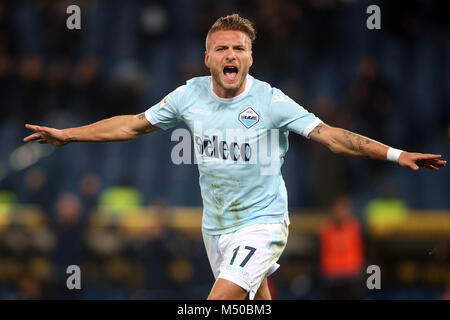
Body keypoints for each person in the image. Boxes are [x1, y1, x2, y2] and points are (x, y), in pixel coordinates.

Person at [23, 14, 446, 300]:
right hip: (216, 227)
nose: (230, 55)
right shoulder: (187, 96)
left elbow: (334, 137)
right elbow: (132, 125)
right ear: (208, 57)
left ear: (249, 57)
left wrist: (396, 154)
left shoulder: (271, 100)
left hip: (262, 224)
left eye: (239, 49)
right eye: (222, 48)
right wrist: (68, 135)